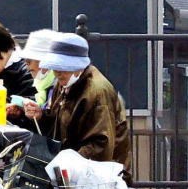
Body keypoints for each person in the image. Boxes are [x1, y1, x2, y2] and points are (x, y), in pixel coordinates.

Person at [19, 31, 133, 177]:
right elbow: (58, 121)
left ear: (80, 67)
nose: (58, 73)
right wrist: (41, 116)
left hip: (102, 176)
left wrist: (67, 165)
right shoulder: (65, 83)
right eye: (55, 68)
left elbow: (101, 143)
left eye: (63, 68)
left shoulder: (97, 91)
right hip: (78, 168)